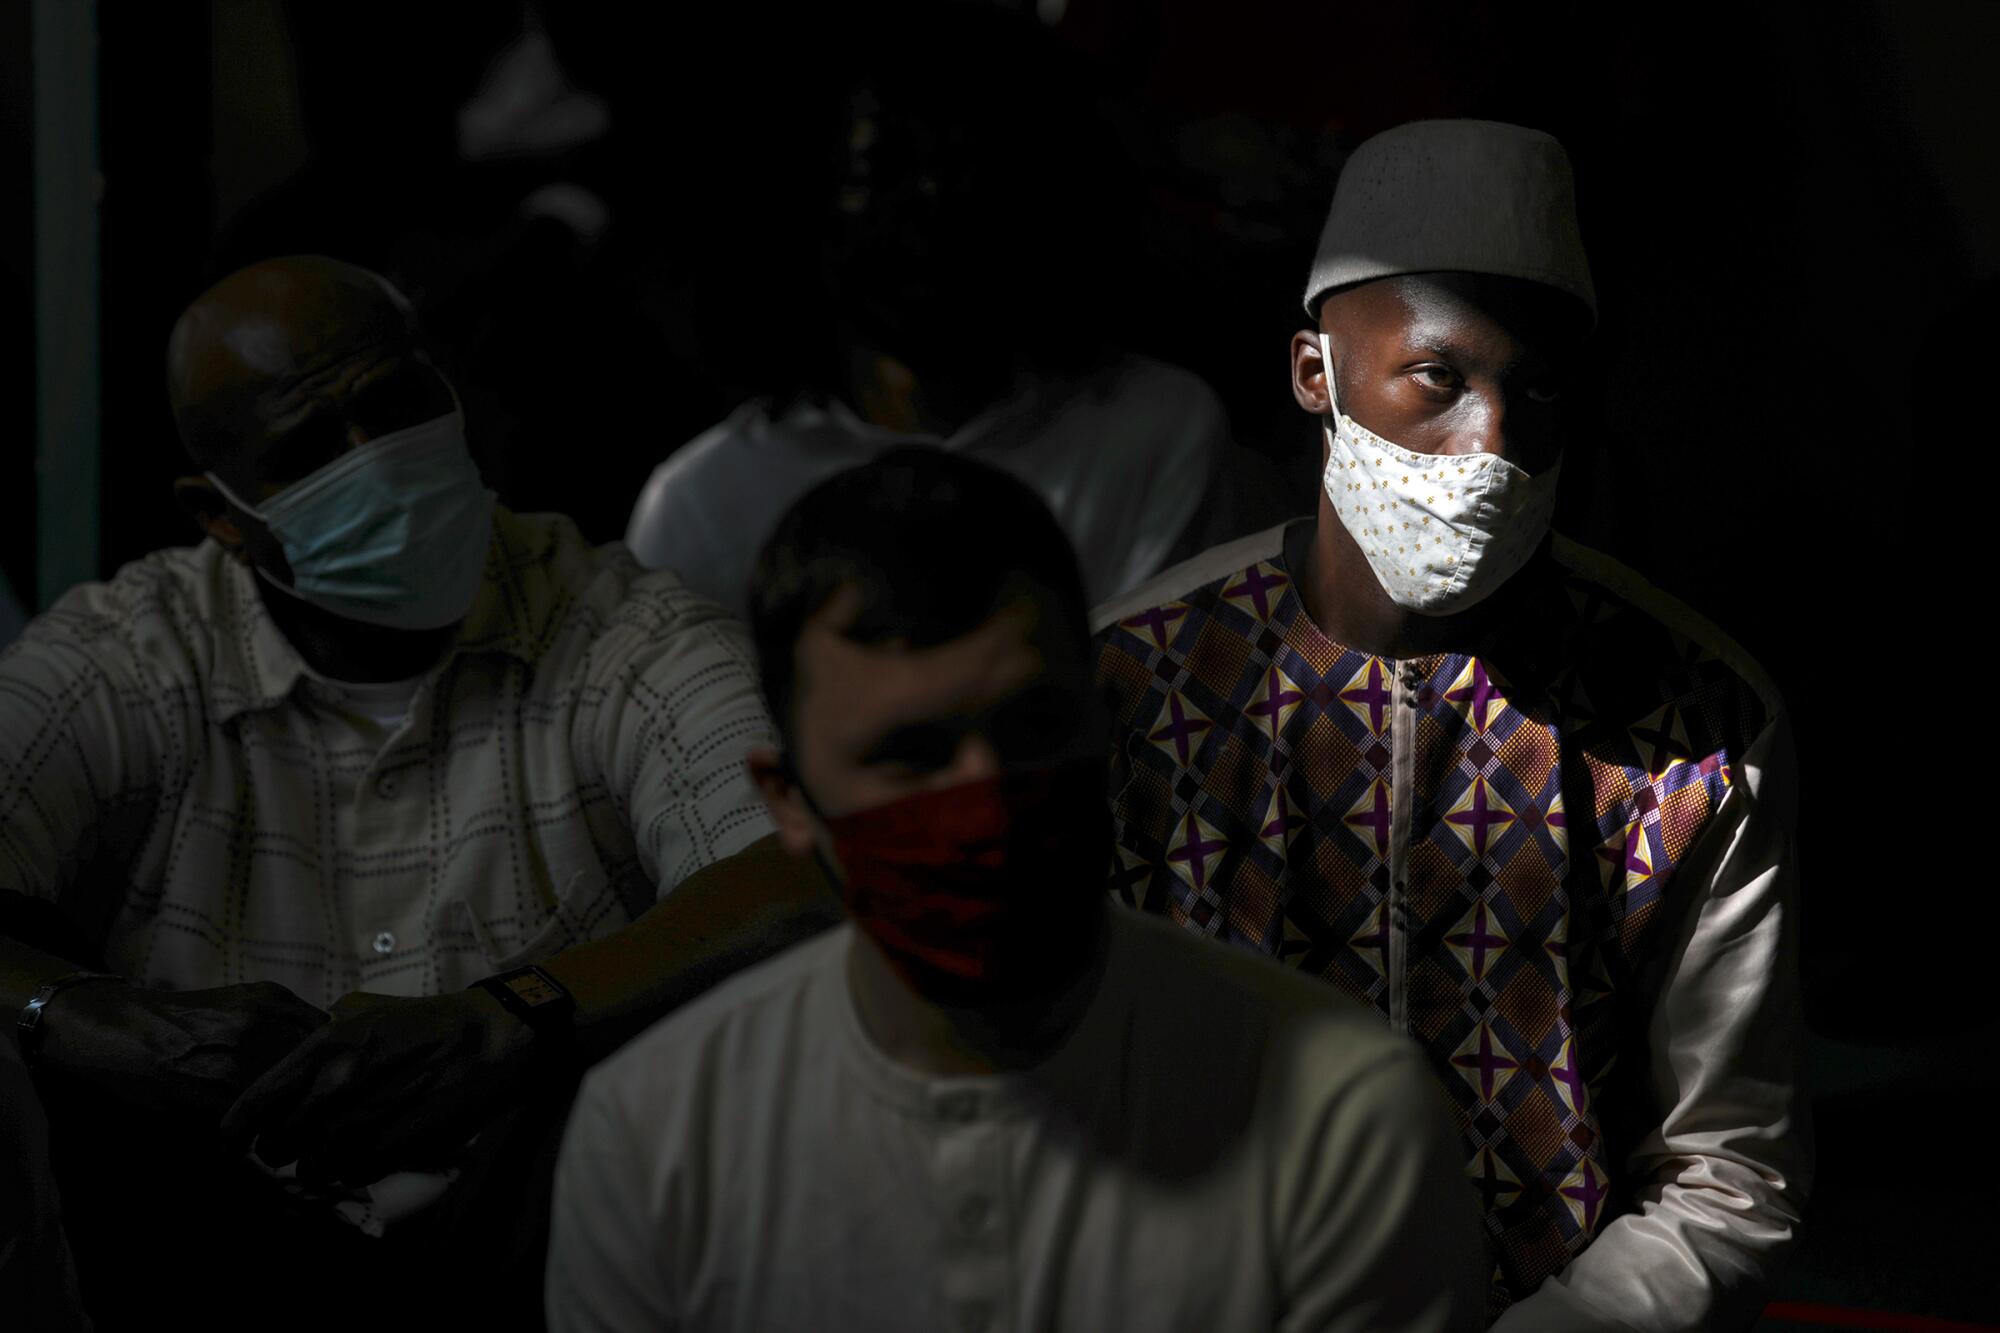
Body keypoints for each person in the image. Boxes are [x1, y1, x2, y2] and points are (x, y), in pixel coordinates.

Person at [0, 256, 836, 1326]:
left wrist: (513, 1020)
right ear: (218, 514)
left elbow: (802, 878)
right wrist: (77, 1014)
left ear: (450, 394)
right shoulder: (128, 656)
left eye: (392, 405)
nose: (376, 463)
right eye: (309, 450)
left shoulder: (625, 630)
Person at [1093, 121, 1807, 1331]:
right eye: (1439, 378)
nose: (1491, 447)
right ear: (1314, 373)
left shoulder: (1693, 722)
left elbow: (1727, 1173)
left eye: (1537, 392)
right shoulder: (1135, 682)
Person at [547, 448, 1488, 1333]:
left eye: (1031, 725)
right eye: (908, 755)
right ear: (789, 801)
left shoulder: (1343, 1118)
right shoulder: (654, 1139)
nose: (982, 796)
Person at [621, 6, 1249, 618]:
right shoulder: (703, 505)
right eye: (883, 166)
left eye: (966, 160)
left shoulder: (1154, 430)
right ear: (803, 199)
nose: (931, 201)